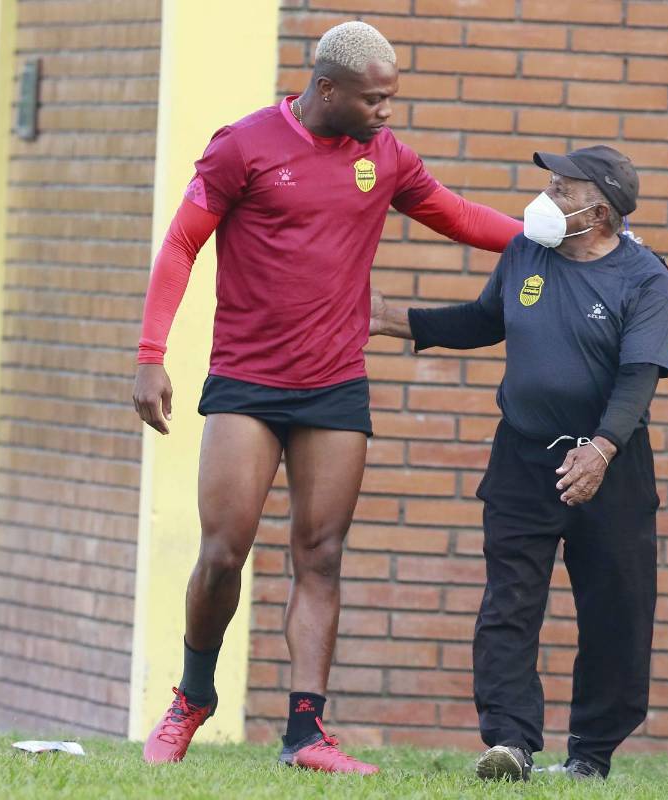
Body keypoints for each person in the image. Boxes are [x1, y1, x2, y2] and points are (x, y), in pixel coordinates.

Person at [132, 21, 521, 774]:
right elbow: (181, 244)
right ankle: (192, 696)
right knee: (222, 553)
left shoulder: (386, 158)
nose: (386, 112)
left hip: (336, 381)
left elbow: (460, 216)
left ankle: (306, 733)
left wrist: (554, 240)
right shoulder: (242, 145)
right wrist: (152, 354)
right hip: (248, 382)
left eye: (392, 99)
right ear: (328, 88)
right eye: (375, 99)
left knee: (322, 554)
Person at [370, 145, 668, 782]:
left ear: (603, 210)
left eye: (564, 189)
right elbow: (485, 320)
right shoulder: (525, 254)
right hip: (523, 456)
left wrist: (602, 449)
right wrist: (389, 319)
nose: (547, 198)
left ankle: (591, 752)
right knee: (509, 600)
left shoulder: (644, 277)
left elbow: (639, 374)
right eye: (551, 184)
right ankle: (509, 741)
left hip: (610, 464)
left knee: (615, 609)